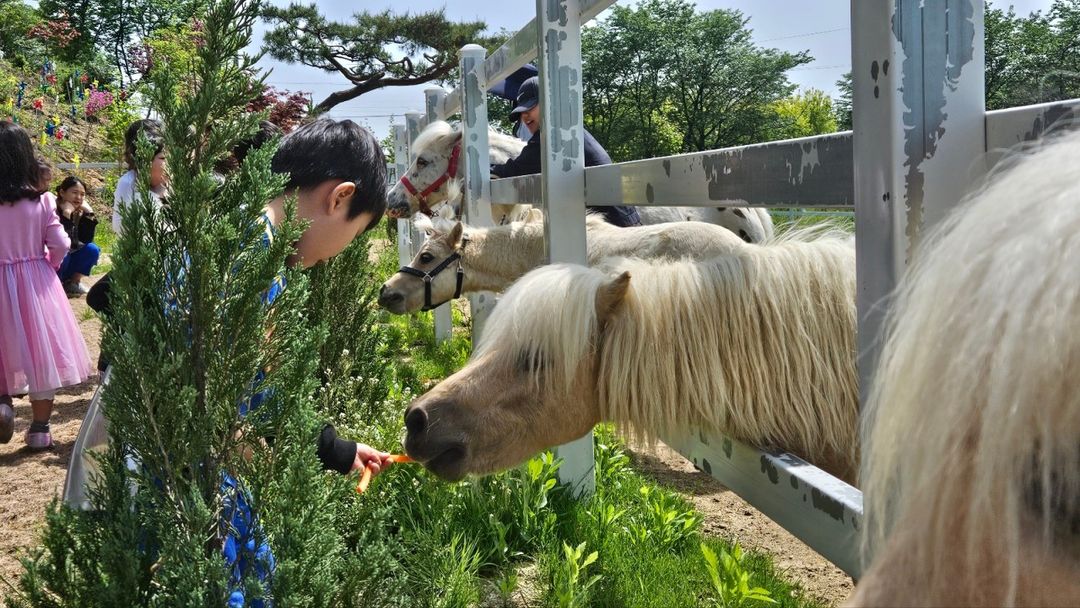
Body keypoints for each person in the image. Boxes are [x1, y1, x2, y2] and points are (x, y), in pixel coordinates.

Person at [0, 121, 93, 449]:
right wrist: (48, 267)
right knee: (41, 354)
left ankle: (2, 404)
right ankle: (40, 429)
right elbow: (60, 243)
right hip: (35, 282)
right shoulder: (40, 201)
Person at [490, 76, 641, 227]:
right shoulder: (568, 129)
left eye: (530, 106)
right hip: (619, 222)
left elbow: (514, 171)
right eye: (521, 112)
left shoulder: (556, 134)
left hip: (613, 230)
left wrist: (483, 172)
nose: (524, 115)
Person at [112, 118, 168, 237]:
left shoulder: (173, 185)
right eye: (163, 158)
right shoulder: (129, 183)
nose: (170, 163)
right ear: (143, 160)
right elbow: (120, 227)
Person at [55, 176, 101, 296]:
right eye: (74, 193)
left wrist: (89, 213)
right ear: (62, 192)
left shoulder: (79, 211)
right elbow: (62, 242)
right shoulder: (52, 210)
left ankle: (72, 283)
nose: (79, 198)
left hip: (69, 258)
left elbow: (86, 239)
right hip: (53, 259)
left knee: (92, 249)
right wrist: (66, 215)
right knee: (64, 254)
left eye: (82, 194)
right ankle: (56, 286)